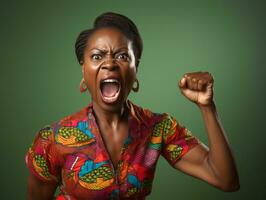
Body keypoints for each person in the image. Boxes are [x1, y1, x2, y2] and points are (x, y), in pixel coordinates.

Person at [25, 12, 240, 200]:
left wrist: (207, 106)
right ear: (84, 71)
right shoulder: (52, 140)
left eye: (122, 56)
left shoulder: (159, 128)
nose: (109, 64)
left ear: (136, 69)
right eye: (97, 56)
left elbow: (225, 179)